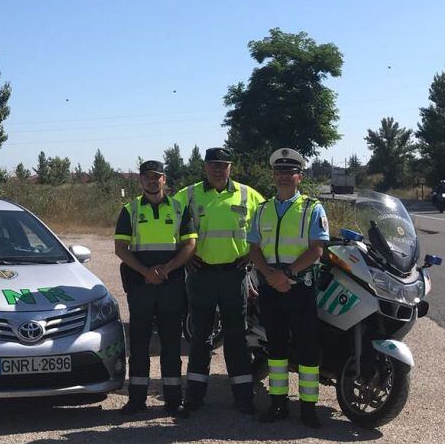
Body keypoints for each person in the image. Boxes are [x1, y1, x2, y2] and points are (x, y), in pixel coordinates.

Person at [172, 147, 264, 415]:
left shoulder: (249, 195)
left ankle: (243, 397)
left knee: (237, 337)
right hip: (201, 276)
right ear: (205, 167)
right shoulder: (187, 195)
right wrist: (183, 255)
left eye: (223, 164)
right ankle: (195, 397)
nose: (218, 169)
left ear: (230, 167)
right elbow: (168, 225)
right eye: (213, 164)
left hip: (235, 276)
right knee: (200, 337)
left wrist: (251, 254)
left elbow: (268, 226)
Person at [247, 148, 328, 428]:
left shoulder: (312, 208)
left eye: (289, 172)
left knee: (307, 348)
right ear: (274, 176)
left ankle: (308, 408)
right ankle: (278, 404)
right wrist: (270, 274)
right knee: (277, 348)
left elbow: (317, 249)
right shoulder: (262, 210)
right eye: (279, 172)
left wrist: (287, 273)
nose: (283, 176)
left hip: (300, 285)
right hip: (271, 285)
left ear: (299, 177)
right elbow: (254, 248)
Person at [113, 160, 197, 418]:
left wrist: (167, 269)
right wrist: (145, 272)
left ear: (164, 180)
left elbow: (190, 245)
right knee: (139, 343)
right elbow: (120, 249)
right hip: (141, 286)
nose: (152, 180)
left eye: (156, 176)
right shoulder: (131, 210)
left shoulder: (180, 208)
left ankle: (173, 400)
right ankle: (137, 400)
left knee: (171, 343)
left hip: (170, 285)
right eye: (147, 177)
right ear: (140, 180)